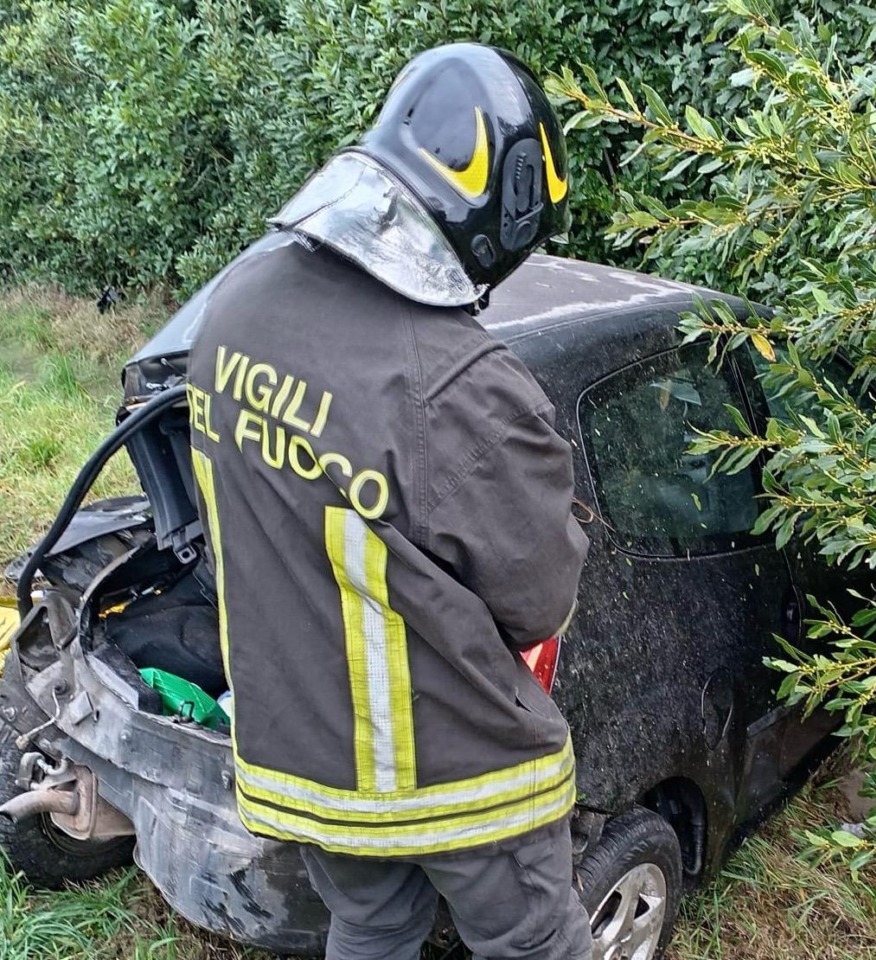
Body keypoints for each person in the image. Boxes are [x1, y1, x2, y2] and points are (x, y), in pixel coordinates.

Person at [184, 43, 593, 960]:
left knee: (370, 924)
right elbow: (538, 601)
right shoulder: (460, 385)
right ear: (504, 216)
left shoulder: (236, 303)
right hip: (455, 773)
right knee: (535, 941)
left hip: (300, 752)